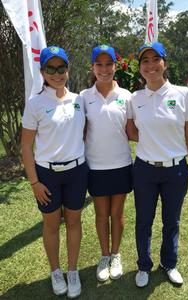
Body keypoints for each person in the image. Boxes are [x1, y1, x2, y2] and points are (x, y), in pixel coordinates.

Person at [127, 42, 188, 287]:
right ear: (140, 68)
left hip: (176, 170)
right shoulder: (135, 98)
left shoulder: (183, 94)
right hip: (144, 170)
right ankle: (144, 266)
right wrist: (152, 139)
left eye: (155, 59)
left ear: (165, 63)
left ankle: (169, 263)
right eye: (145, 61)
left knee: (172, 220)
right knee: (143, 221)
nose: (150, 65)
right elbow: (130, 130)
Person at [21, 46, 88, 298]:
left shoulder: (78, 100)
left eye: (62, 68)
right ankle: (56, 271)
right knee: (51, 224)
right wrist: (34, 182)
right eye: (51, 68)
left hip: (77, 172)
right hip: (46, 175)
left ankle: (72, 270)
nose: (57, 73)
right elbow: (26, 146)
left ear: (68, 69)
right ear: (43, 71)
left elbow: (82, 133)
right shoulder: (35, 103)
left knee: (74, 221)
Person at [80, 44, 134, 282]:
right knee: (101, 215)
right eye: (99, 64)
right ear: (93, 67)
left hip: (121, 164)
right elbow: (79, 133)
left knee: (117, 213)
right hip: (96, 166)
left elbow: (134, 131)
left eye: (108, 64)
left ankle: (116, 254)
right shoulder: (83, 98)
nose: (104, 69)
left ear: (115, 65)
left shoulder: (127, 97)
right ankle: (104, 256)